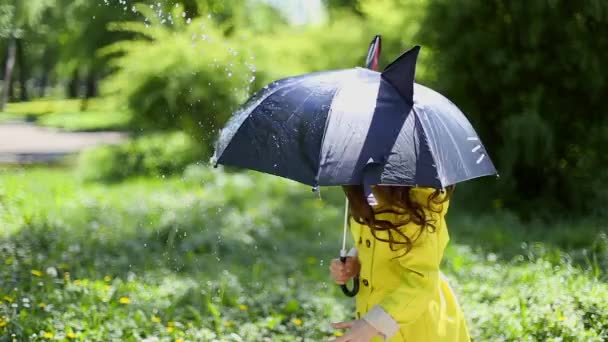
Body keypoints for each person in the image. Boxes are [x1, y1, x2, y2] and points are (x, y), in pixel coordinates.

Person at [329, 185, 470, 342]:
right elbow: (377, 245)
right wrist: (354, 260)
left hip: (417, 327)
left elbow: (421, 281)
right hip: (377, 323)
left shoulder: (416, 212)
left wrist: (373, 324)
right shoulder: (366, 195)